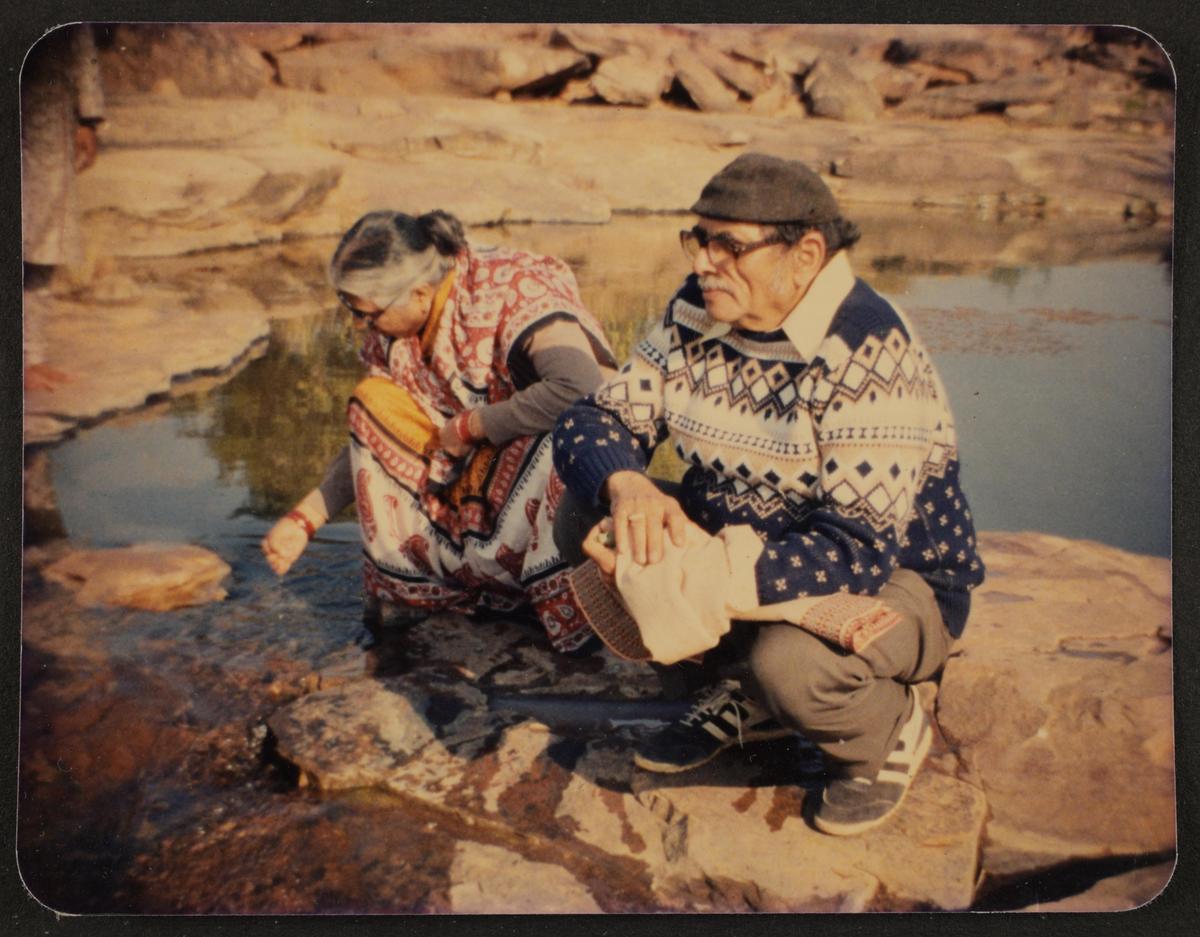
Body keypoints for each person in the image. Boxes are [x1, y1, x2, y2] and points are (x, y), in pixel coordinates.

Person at [551, 153, 985, 835]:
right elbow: (593, 420)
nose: (703, 262)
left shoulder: (865, 346)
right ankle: (746, 699)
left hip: (895, 580)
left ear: (805, 253)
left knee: (789, 660)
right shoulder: (697, 314)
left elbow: (856, 554)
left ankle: (884, 731)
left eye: (730, 244)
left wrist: (692, 577)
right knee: (592, 511)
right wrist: (627, 482)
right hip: (752, 548)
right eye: (698, 238)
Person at [262, 210, 617, 655]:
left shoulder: (510, 288)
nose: (358, 325)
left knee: (566, 441)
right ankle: (433, 591)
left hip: (561, 471)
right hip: (473, 479)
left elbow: (580, 388)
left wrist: (472, 426)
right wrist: (306, 518)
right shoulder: (393, 333)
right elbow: (371, 436)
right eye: (351, 310)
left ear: (419, 293)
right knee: (372, 400)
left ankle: (568, 617)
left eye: (365, 313)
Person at [22, 24, 105, 391]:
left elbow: (78, 34)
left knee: (43, 239)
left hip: (45, 105)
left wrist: (87, 117)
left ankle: (30, 357)